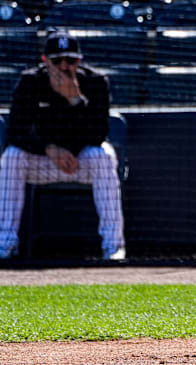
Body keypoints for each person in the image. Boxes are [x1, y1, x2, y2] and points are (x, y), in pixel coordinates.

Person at [0, 31, 125, 260]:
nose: (64, 66)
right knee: (11, 157)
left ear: (79, 60)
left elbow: (98, 133)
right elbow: (16, 131)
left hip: (81, 163)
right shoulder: (30, 82)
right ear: (45, 61)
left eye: (71, 60)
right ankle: (5, 244)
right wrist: (49, 149)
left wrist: (75, 100)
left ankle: (113, 247)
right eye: (57, 61)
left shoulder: (95, 82)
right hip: (42, 162)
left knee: (103, 156)